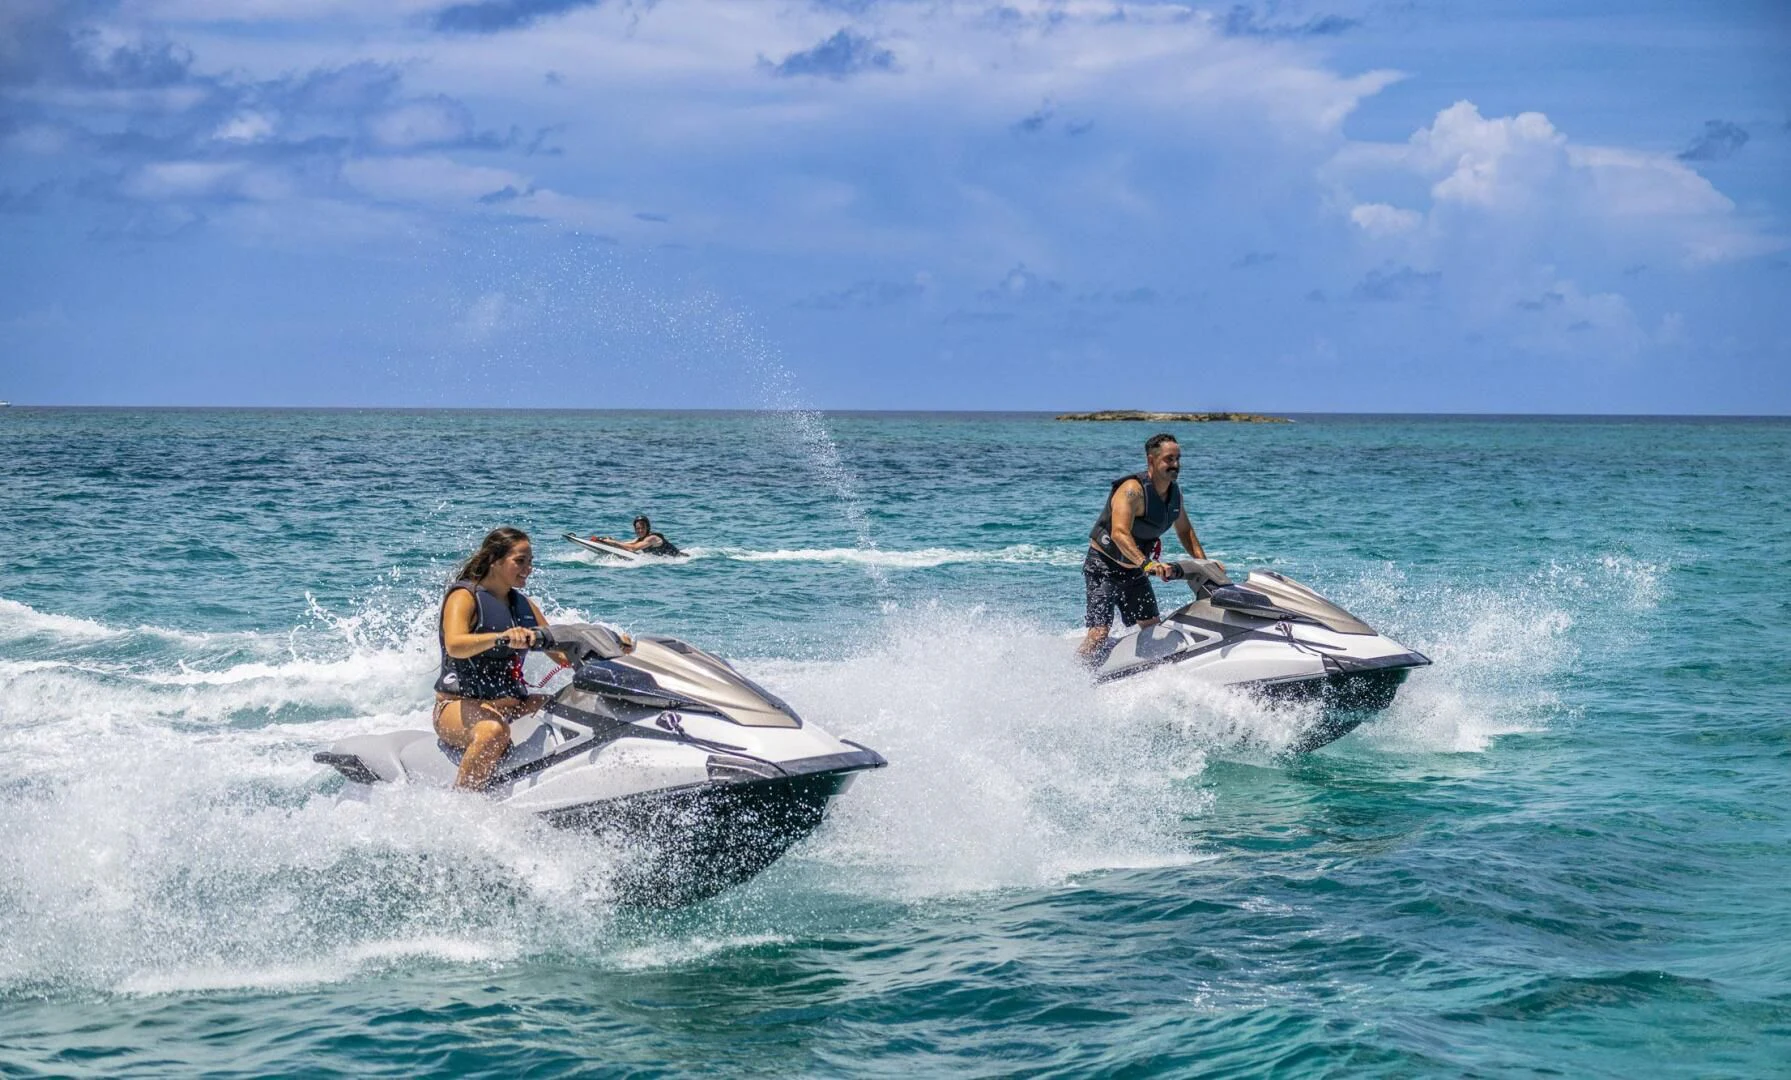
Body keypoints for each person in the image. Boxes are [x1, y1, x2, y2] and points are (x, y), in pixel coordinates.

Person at [431, 527, 554, 790]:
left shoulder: (524, 605)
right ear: (495, 560)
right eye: (520, 561)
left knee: (569, 707)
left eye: (530, 561)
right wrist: (501, 637)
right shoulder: (464, 596)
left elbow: (559, 650)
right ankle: (460, 807)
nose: (528, 568)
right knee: (493, 733)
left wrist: (608, 646)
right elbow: (455, 644)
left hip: (512, 705)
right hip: (458, 706)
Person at [1077, 433, 1217, 661]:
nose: (1176, 465)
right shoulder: (1132, 490)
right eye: (1169, 459)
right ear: (1151, 461)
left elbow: (1185, 531)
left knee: (1152, 626)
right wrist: (1147, 563)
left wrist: (1206, 565)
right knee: (1099, 633)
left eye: (1178, 459)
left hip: (1134, 570)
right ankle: (1073, 675)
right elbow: (1119, 533)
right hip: (1103, 568)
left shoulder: (1174, 493)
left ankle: (1143, 672)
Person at [592, 515, 683, 557]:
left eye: (642, 528)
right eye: (637, 528)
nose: (640, 530)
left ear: (647, 528)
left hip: (680, 558)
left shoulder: (652, 538)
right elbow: (626, 544)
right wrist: (604, 541)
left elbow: (633, 548)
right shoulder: (639, 539)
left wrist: (613, 542)